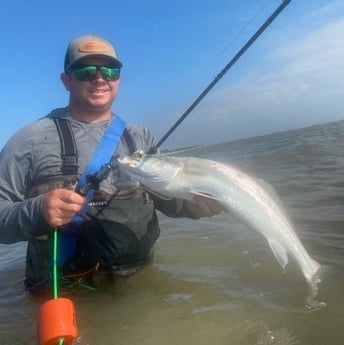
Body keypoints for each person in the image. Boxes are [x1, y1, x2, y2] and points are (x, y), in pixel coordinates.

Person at [0, 34, 223, 294]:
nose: (99, 78)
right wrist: (37, 211)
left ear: (118, 78)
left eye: (110, 70)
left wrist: (195, 204)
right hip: (65, 293)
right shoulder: (30, 139)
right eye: (85, 71)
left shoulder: (140, 137)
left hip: (139, 281)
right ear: (66, 81)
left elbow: (167, 199)